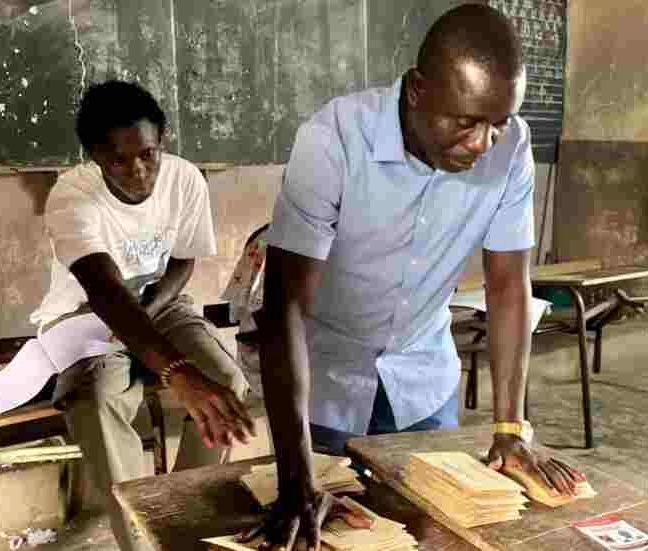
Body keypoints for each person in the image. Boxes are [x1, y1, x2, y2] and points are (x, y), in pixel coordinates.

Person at [244, 5, 579, 549]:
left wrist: (510, 429)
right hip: (327, 385)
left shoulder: (511, 147)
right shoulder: (333, 139)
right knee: (327, 535)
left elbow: (508, 288)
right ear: (417, 90)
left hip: (423, 384)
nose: (482, 144)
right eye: (466, 122)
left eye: (497, 123)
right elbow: (285, 308)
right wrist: (296, 476)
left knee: (429, 534)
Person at [29, 80, 254, 551]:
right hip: (86, 314)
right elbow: (106, 293)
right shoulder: (72, 197)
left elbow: (183, 260)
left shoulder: (185, 179)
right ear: (94, 155)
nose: (137, 170)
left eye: (147, 155)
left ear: (162, 141)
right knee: (98, 399)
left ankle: (189, 513)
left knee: (226, 384)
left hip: (160, 303)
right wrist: (175, 370)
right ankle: (141, 534)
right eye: (118, 160)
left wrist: (151, 312)